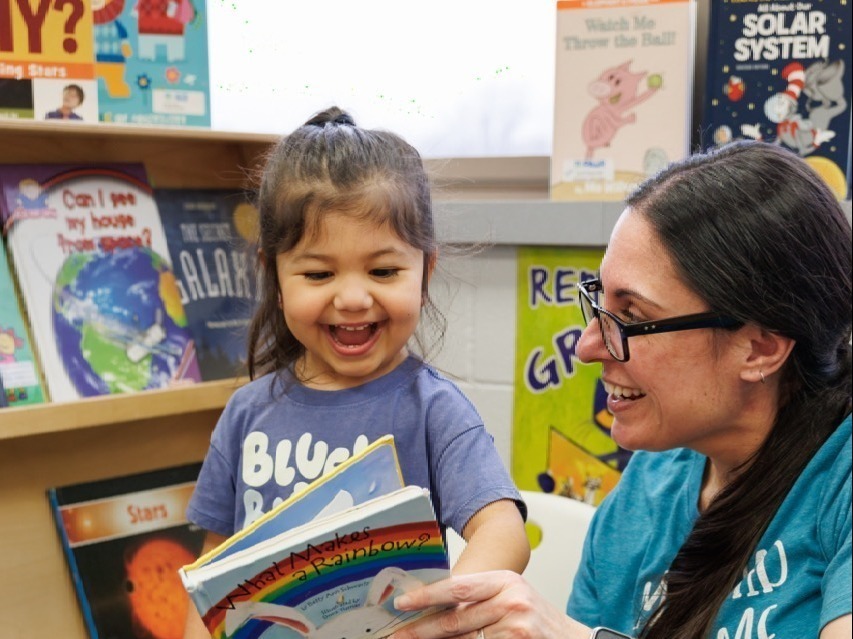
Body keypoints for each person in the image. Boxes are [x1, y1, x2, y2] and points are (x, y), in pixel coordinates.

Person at [390, 140, 852, 639]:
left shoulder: (837, 484)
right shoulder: (647, 487)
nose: (588, 347)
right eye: (600, 304)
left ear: (760, 349)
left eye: (631, 317)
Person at [182, 107, 530, 637]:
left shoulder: (433, 408)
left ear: (425, 272)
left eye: (384, 270)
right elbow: (211, 576)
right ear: (273, 275)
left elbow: (504, 532)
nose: (351, 297)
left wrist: (437, 615)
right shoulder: (245, 414)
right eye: (318, 273)